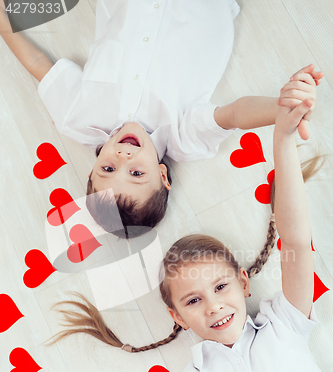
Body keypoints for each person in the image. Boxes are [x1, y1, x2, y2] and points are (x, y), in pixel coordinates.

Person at [43, 68, 332, 372]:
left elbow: (294, 236)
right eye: (194, 300)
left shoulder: (284, 324)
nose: (213, 307)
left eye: (220, 288)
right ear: (175, 315)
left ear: (243, 283)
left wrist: (282, 138)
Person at [0, 0, 322, 234]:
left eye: (109, 168)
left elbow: (39, 63)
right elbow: (234, 114)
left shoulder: (78, 119)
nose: (123, 156)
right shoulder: (183, 138)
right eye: (137, 173)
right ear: (163, 176)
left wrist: (3, 21)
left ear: (93, 168)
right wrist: (281, 107)